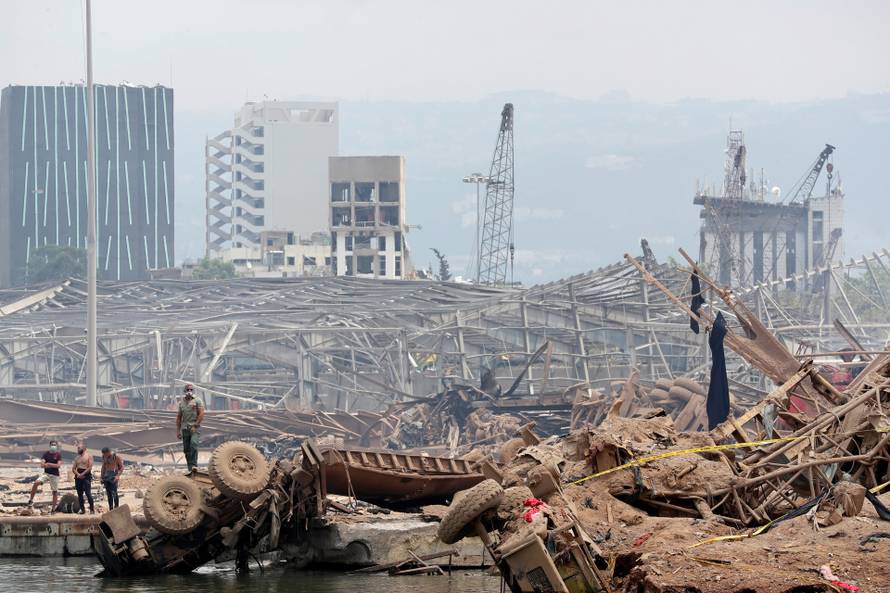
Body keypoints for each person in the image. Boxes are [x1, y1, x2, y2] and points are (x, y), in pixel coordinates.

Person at [176, 383, 205, 472]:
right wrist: (178, 431)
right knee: (186, 449)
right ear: (185, 391)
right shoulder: (181, 403)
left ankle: (194, 465)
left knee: (194, 445)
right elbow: (179, 417)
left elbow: (201, 414)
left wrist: (195, 425)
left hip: (194, 427)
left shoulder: (197, 400)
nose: (189, 391)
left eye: (191, 390)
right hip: (185, 428)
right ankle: (190, 468)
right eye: (188, 390)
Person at [27, 440, 62, 510]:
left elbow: (58, 466)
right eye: (52, 445)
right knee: (36, 483)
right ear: (50, 446)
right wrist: (52, 465)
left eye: (55, 445)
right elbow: (42, 465)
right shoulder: (46, 454)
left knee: (54, 491)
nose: (53, 446)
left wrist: (48, 464)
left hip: (55, 475)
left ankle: (53, 509)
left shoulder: (58, 454)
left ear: (56, 446)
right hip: (46, 474)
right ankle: (31, 500)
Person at [72, 444, 95, 514]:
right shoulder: (77, 458)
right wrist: (78, 474)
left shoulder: (89, 456)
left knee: (88, 493)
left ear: (84, 448)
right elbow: (73, 468)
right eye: (77, 448)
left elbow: (89, 467)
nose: (78, 449)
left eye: (79, 448)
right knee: (79, 494)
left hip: (86, 475)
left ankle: (92, 509)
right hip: (78, 475)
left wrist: (82, 474)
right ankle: (82, 509)